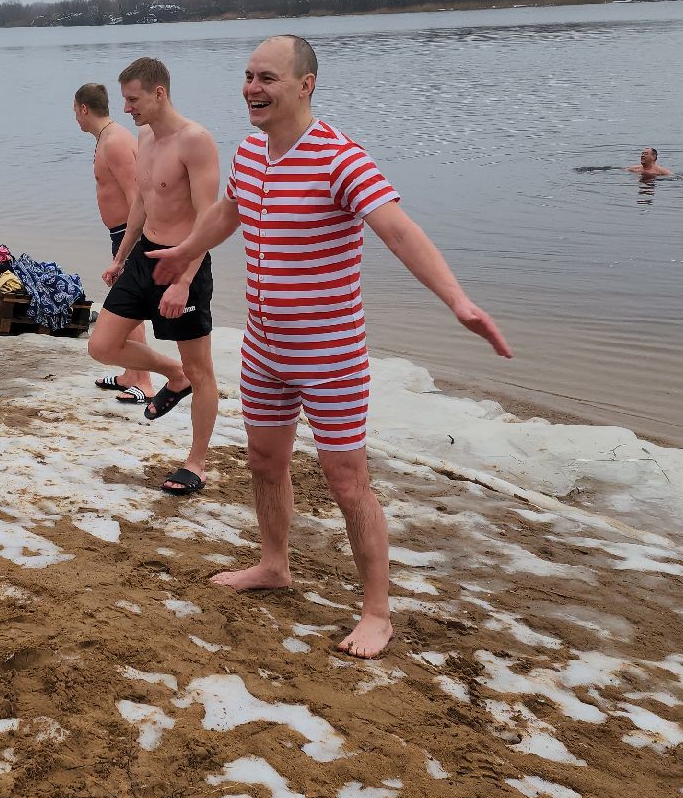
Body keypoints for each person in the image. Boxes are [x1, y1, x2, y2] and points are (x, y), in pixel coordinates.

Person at [150, 35, 512, 659]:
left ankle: (377, 611)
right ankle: (274, 564)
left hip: (330, 352)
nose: (251, 89)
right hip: (265, 347)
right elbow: (229, 210)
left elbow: (398, 230)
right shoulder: (252, 153)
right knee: (264, 463)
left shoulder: (339, 158)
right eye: (247, 76)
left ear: (305, 84)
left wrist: (458, 300)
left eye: (266, 78)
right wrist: (186, 251)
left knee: (347, 481)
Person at [88, 59, 220, 496]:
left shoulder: (195, 141)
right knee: (102, 346)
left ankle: (196, 463)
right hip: (144, 256)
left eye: (133, 99)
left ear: (159, 93)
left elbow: (208, 218)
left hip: (184, 261)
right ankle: (171, 375)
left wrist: (184, 280)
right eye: (124, 99)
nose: (126, 108)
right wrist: (122, 256)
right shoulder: (144, 137)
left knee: (202, 369)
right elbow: (142, 204)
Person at [76, 81, 153, 404]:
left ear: (83, 109)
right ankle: (129, 374)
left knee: (128, 307)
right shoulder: (107, 138)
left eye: (75, 113)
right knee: (124, 304)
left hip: (129, 233)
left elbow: (137, 196)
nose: (76, 119)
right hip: (118, 233)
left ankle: (145, 382)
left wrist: (128, 246)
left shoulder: (115, 141)